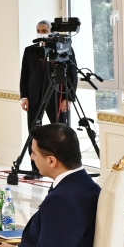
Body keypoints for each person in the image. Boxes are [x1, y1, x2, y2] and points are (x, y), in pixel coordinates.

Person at [20, 19, 75, 175]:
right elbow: (25, 75)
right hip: (34, 96)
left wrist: (68, 98)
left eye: (44, 30)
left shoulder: (64, 50)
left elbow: (72, 75)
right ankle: (35, 169)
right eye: (39, 30)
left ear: (52, 32)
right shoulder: (30, 50)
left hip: (57, 96)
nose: (41, 33)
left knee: (60, 132)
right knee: (34, 132)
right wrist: (24, 97)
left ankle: (63, 168)